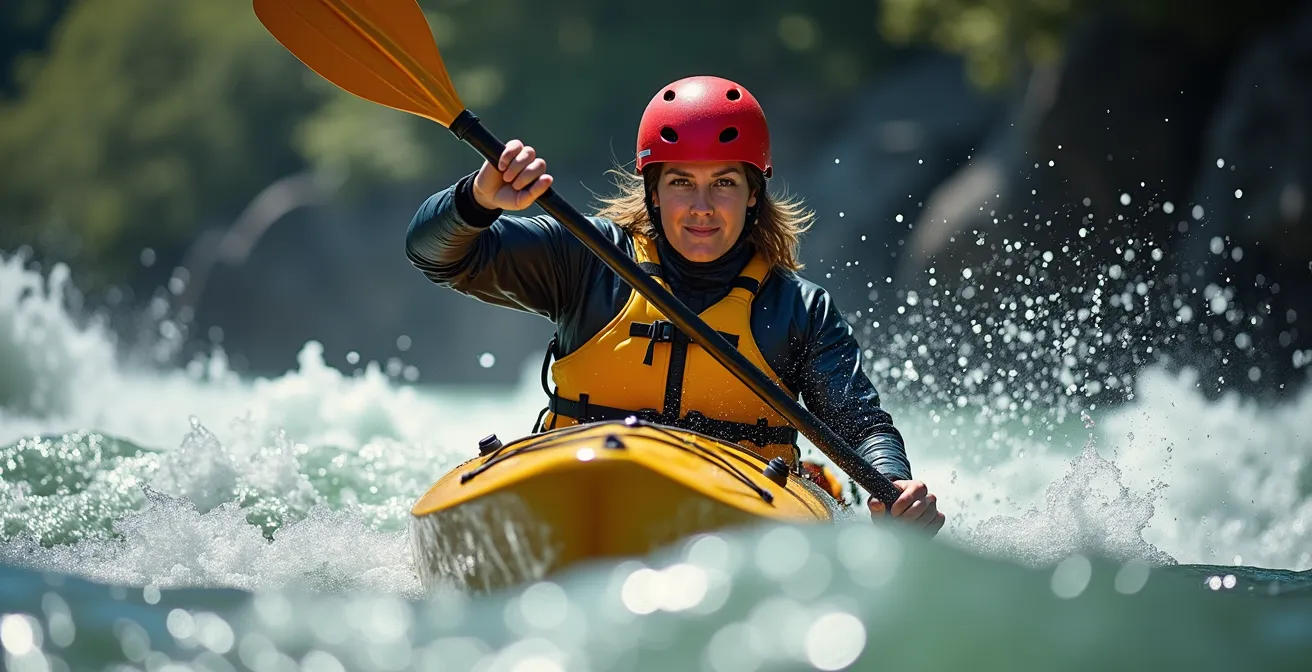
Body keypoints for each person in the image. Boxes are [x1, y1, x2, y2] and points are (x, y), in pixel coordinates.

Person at [405, 75, 944, 534]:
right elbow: (433, 253)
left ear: (753, 193)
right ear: (653, 191)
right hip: (580, 484)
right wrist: (476, 200)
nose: (702, 208)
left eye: (724, 183)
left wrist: (892, 483)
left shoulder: (799, 309)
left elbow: (860, 424)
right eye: (682, 181)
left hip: (743, 505)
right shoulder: (586, 259)